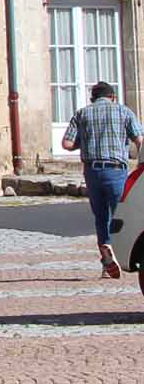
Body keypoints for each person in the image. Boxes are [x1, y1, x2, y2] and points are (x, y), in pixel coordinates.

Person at [62, 80, 144, 278]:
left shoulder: (82, 114)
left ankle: (106, 261)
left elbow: (66, 143)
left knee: (101, 217)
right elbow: (140, 140)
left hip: (92, 171)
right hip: (116, 170)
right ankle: (117, 252)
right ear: (112, 96)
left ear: (93, 98)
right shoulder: (124, 112)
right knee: (120, 216)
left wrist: (83, 142)